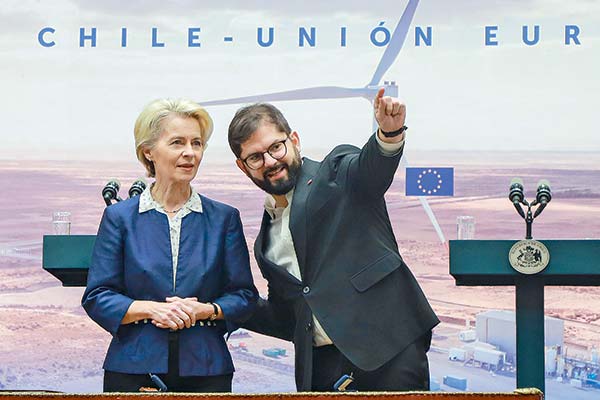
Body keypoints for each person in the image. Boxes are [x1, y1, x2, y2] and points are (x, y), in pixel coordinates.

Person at [227, 88, 439, 391]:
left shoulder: (336, 172)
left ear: (294, 140)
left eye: (276, 147)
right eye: (255, 157)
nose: (270, 161)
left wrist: (389, 135)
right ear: (242, 165)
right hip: (322, 369)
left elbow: (372, 169)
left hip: (388, 351)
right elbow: (285, 317)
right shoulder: (266, 241)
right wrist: (222, 303)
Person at [82, 98, 258, 392]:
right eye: (177, 142)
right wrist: (152, 310)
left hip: (206, 369)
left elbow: (244, 296)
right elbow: (98, 296)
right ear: (148, 151)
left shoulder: (224, 218)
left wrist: (207, 310)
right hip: (133, 368)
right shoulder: (119, 218)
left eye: (197, 143)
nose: (190, 153)